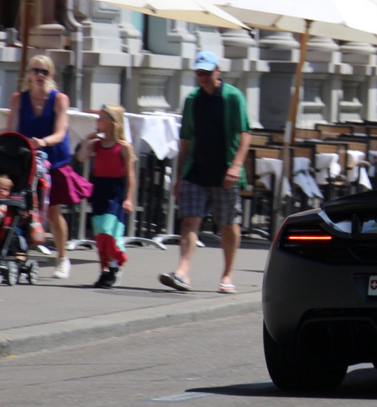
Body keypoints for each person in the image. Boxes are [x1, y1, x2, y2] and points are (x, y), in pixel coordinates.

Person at [159, 50, 252, 294]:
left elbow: (245, 133)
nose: (202, 78)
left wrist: (236, 165)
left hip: (225, 172)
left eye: (207, 73)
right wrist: (179, 176)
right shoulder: (192, 100)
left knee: (228, 223)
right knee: (190, 220)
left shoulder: (233, 97)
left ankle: (227, 275)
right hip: (196, 169)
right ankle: (183, 272)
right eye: (199, 73)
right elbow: (186, 139)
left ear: (217, 71)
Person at [7, 55, 90, 278]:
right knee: (19, 208)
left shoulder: (59, 99)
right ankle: (18, 254)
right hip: (27, 159)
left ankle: (62, 257)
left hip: (53, 158)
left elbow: (61, 131)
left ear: (51, 75)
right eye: (36, 70)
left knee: (53, 210)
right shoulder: (18, 99)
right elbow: (12, 130)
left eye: (44, 72)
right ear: (29, 74)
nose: (40, 75)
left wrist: (43, 142)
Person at [77, 105, 136, 289]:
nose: (98, 122)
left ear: (112, 122)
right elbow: (81, 157)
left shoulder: (123, 147)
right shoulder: (97, 145)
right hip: (100, 190)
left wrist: (129, 198)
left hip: (115, 192)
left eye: (101, 118)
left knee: (108, 231)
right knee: (100, 235)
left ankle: (115, 265)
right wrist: (88, 140)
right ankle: (106, 270)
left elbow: (130, 175)